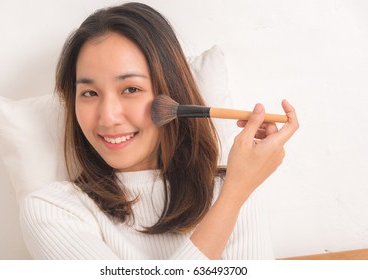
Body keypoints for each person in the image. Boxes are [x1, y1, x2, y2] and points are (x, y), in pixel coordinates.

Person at [20, 2, 299, 260]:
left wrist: (236, 192)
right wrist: (234, 195)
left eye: (130, 89)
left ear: (171, 94)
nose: (108, 116)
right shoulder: (52, 210)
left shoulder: (234, 190)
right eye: (89, 93)